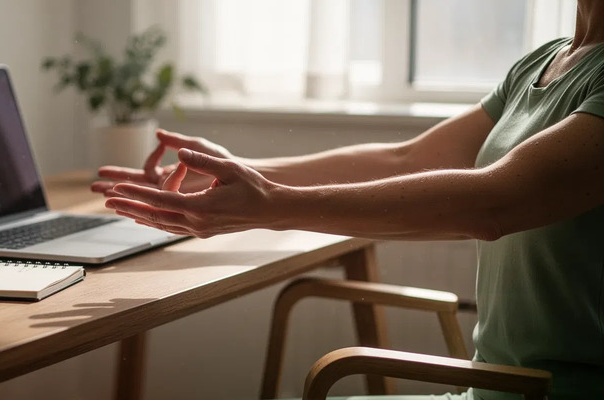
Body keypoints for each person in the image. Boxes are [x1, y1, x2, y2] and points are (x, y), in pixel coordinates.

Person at [91, 1, 604, 399]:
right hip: (490, 389)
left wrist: (270, 203)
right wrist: (242, 172)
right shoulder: (544, 62)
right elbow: (408, 160)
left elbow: (495, 204)